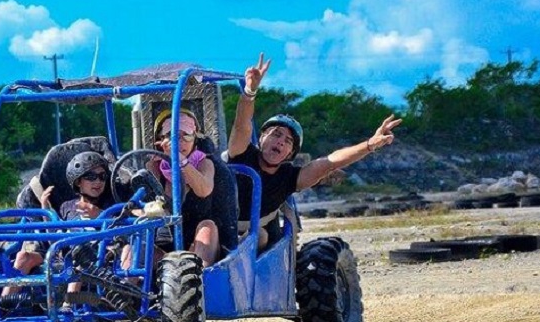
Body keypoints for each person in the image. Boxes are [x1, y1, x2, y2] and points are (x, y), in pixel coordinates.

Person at [228, 53, 403, 250]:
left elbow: (331, 162)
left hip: (254, 239)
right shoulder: (241, 153)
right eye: (276, 134)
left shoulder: (290, 178)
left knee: (259, 236)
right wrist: (250, 92)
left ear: (290, 153)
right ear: (261, 137)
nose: (280, 142)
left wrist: (370, 144)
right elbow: (242, 126)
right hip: (220, 226)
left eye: (288, 142)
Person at [1, 151, 111, 301]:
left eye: (102, 176)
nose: (98, 181)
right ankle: (3, 305)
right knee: (23, 256)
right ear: (78, 181)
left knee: (80, 254)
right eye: (91, 177)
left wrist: (100, 214)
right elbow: (55, 235)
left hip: (96, 255)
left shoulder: (110, 205)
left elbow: (122, 230)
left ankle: (69, 307)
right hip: (64, 253)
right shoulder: (67, 206)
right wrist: (46, 210)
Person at [146, 108, 220, 267]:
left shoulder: (204, 163)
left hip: (197, 247)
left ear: (195, 138)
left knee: (208, 226)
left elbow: (204, 189)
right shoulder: (153, 166)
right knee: (131, 246)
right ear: (161, 141)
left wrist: (180, 160)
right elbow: (138, 206)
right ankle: (124, 289)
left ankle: (199, 284)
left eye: (185, 135)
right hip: (163, 250)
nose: (179, 142)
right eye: (171, 136)